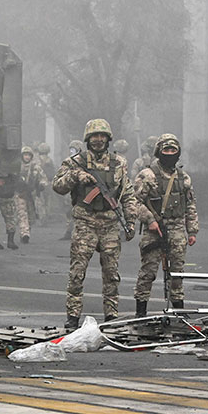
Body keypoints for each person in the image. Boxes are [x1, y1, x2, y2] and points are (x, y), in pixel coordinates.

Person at [51, 119, 147, 329]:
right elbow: (57, 185)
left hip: (110, 224)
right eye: (94, 136)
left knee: (111, 274)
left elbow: (127, 194)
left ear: (108, 139)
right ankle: (73, 315)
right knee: (77, 272)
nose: (98, 140)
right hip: (85, 222)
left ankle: (111, 315)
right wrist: (76, 176)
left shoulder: (118, 163)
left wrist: (130, 221)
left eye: (102, 136)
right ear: (88, 139)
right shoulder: (76, 162)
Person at [132, 134, 200, 316]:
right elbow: (133, 202)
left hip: (177, 229)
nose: (169, 154)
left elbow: (190, 205)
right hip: (154, 230)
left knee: (177, 273)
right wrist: (150, 220)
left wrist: (192, 230)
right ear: (158, 152)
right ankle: (141, 312)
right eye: (166, 150)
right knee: (148, 272)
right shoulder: (147, 175)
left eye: (173, 150)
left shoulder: (183, 178)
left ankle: (179, 311)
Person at [15, 145, 48, 243]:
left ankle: (27, 231)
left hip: (32, 195)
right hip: (20, 194)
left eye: (28, 155)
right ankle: (24, 233)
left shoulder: (35, 167)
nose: (27, 157)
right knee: (22, 214)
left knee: (31, 216)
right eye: (25, 155)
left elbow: (43, 178)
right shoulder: (17, 167)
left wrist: (42, 185)